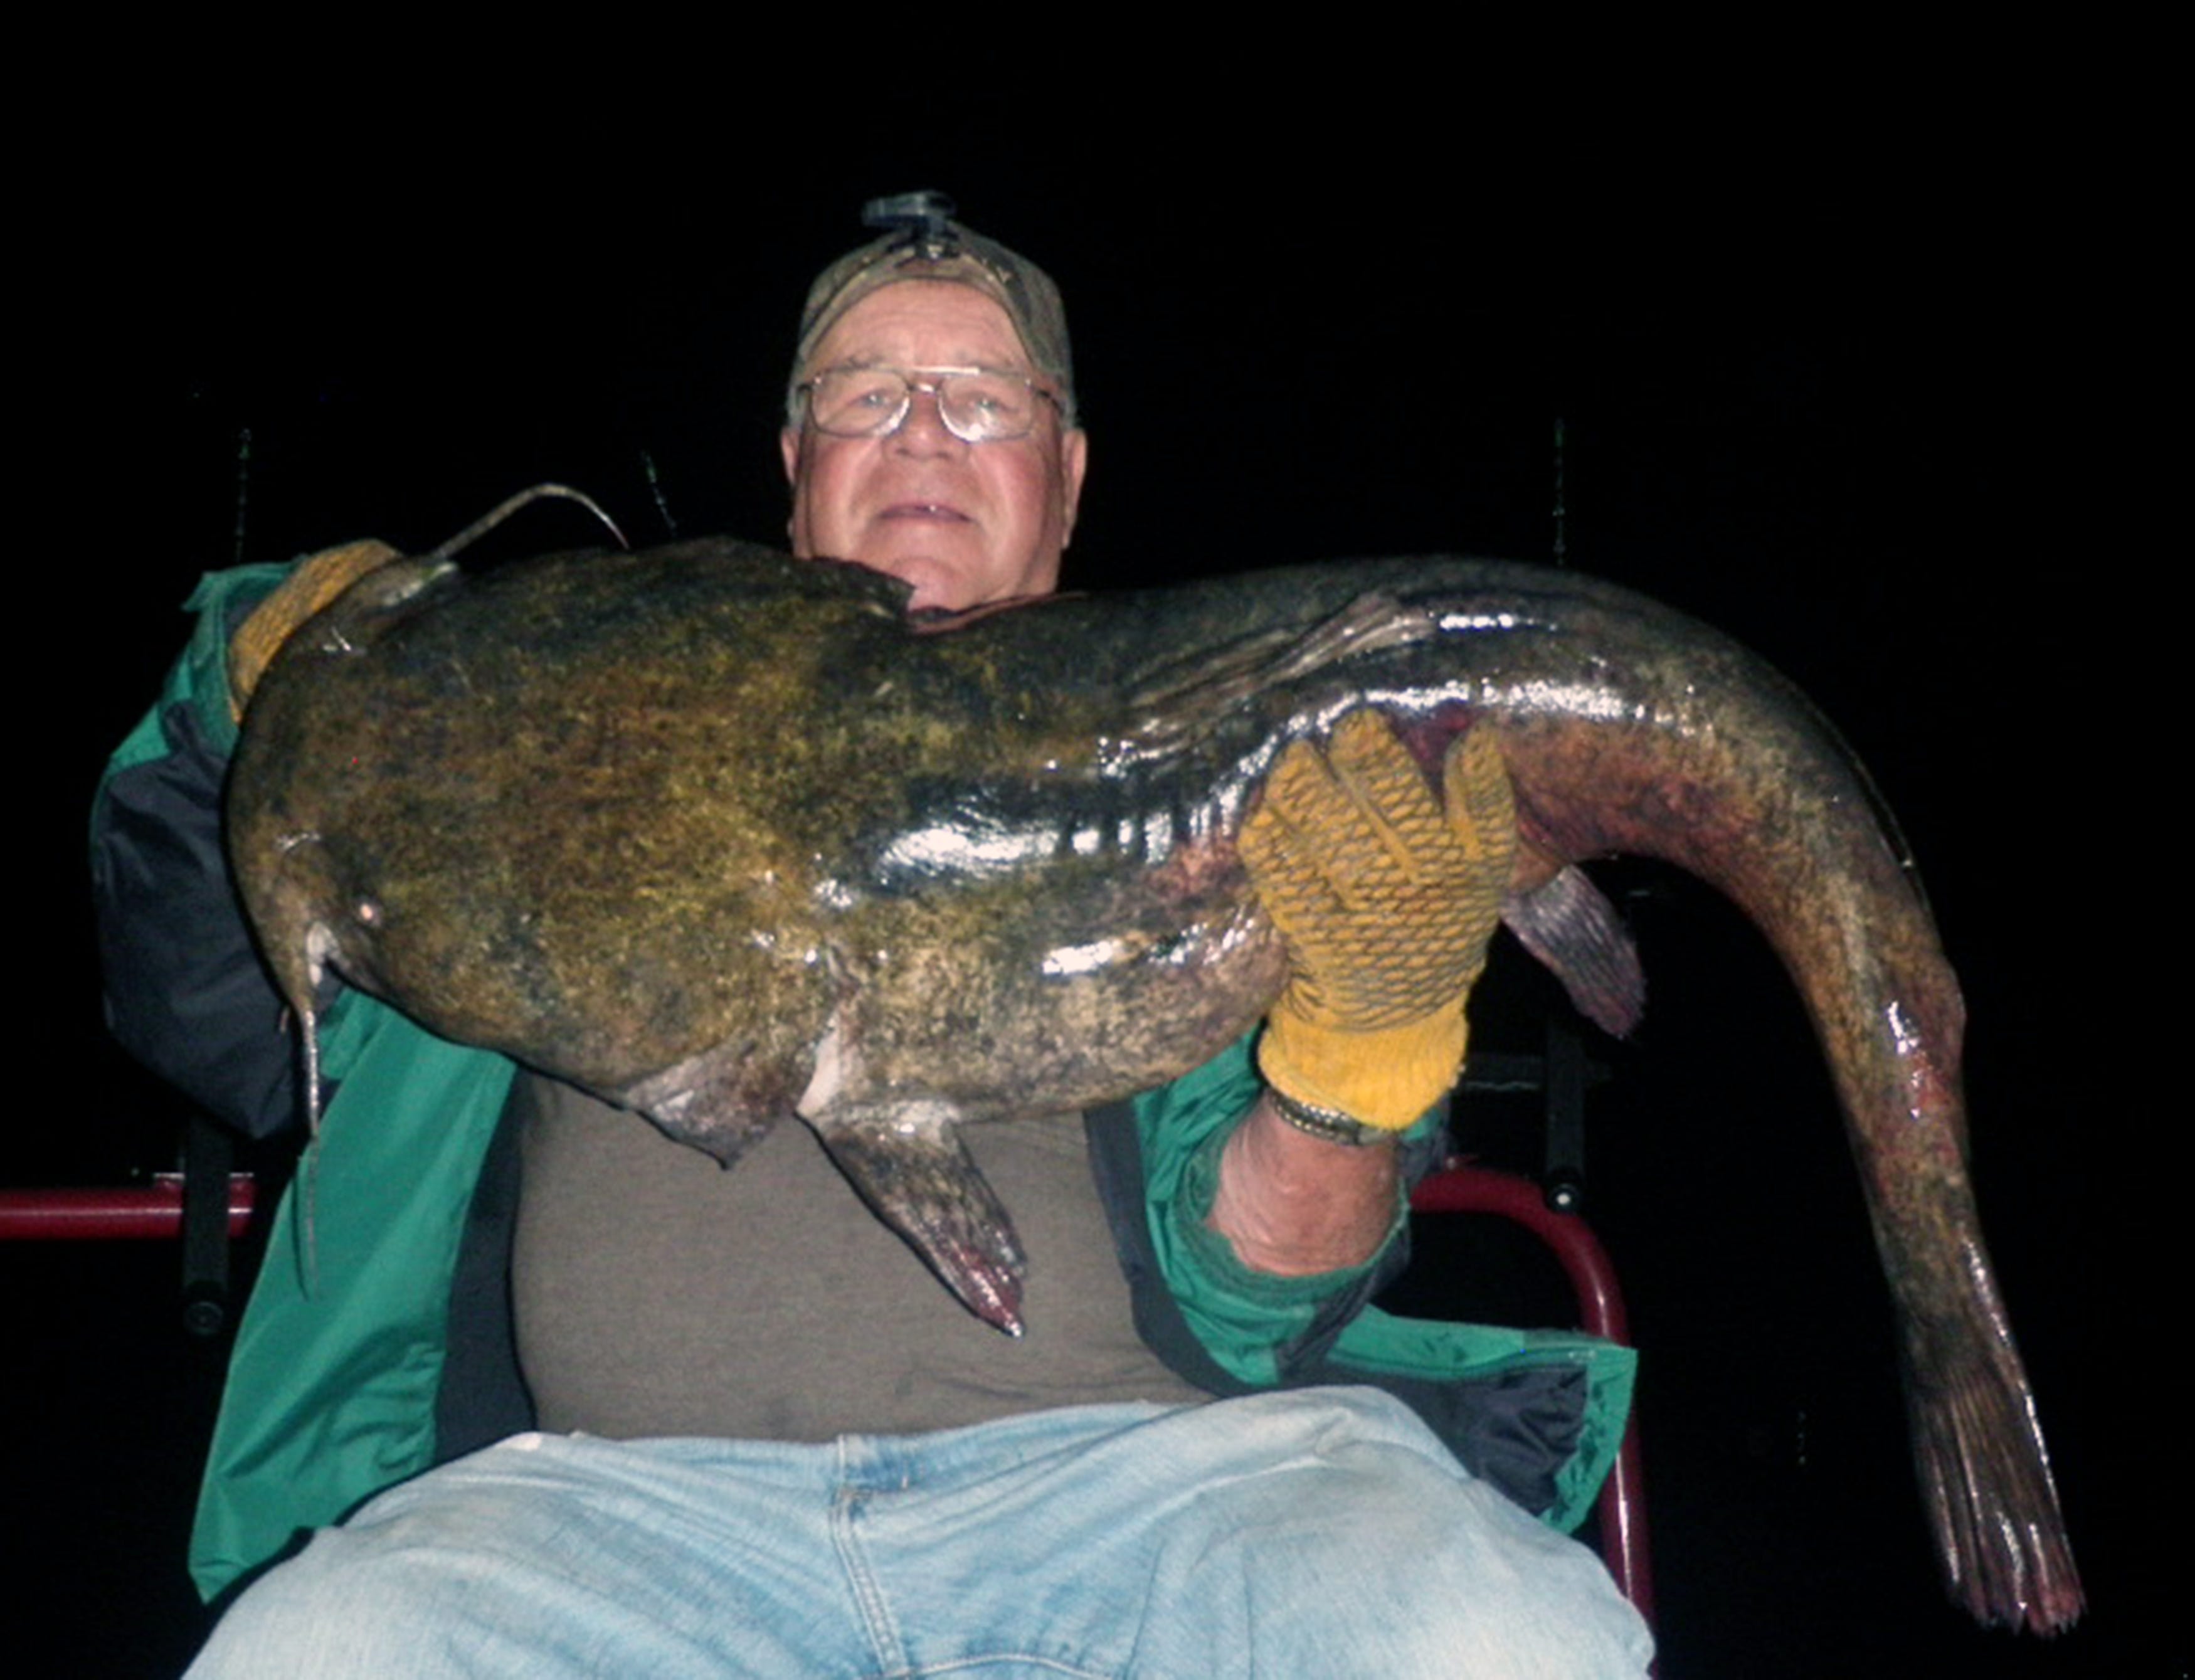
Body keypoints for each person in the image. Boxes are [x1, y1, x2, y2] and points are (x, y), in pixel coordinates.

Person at [93, 193, 1653, 1676]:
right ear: (790, 462)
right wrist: (247, 686)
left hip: (1167, 1495)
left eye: (982, 396)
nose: (921, 427)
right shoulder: (544, 742)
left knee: (1495, 1637)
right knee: (320, 1647)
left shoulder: (1248, 783)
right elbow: (205, 994)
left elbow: (1271, 1299)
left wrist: (1357, 1063)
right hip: (600, 1523)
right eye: (865, 394)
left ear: (1069, 468)